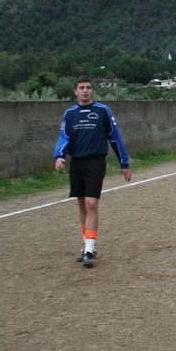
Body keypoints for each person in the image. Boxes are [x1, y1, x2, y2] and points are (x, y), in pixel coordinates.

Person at [53, 77, 131, 268]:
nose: (85, 90)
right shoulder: (70, 114)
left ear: (92, 90)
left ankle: (89, 251)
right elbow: (64, 137)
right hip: (77, 162)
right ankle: (88, 245)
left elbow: (114, 137)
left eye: (88, 87)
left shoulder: (103, 110)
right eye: (81, 88)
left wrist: (124, 162)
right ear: (75, 91)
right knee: (82, 205)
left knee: (91, 203)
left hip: (95, 162)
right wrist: (59, 156)